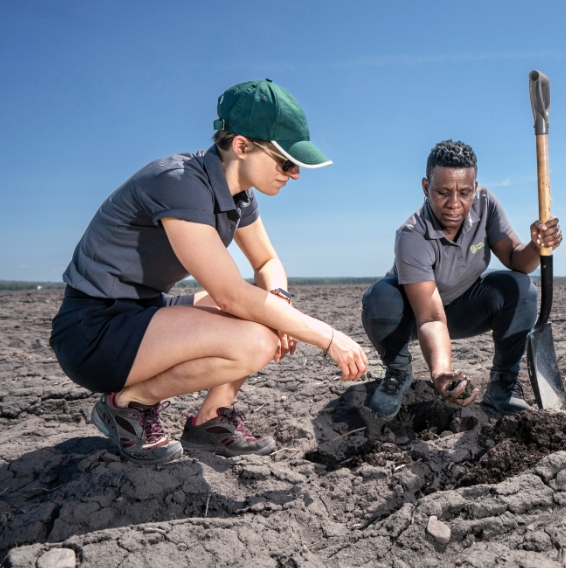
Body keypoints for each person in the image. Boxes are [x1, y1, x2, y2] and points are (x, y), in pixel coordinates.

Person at [50, 79, 368, 465]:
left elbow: (267, 263)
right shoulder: (180, 183)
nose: (295, 173)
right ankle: (127, 405)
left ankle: (210, 421)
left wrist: (281, 303)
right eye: (287, 161)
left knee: (267, 319)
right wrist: (329, 336)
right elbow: (230, 294)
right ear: (241, 145)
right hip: (94, 330)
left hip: (143, 309)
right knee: (256, 339)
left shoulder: (239, 194)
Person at [361, 140, 562, 419]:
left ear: (475, 188)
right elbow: (430, 318)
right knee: (379, 298)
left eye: (464, 193)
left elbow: (517, 260)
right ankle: (398, 371)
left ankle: (504, 385)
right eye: (443, 192)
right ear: (425, 187)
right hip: (412, 317)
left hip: (461, 309)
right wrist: (441, 372)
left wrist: (535, 246)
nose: (454, 204)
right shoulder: (412, 235)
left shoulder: (486, 204)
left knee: (520, 288)